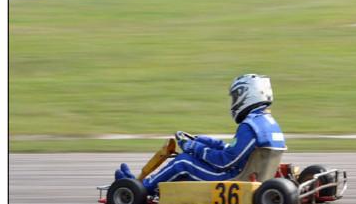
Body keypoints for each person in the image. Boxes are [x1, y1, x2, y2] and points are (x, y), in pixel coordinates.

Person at [115, 74, 285, 194]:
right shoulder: (267, 122)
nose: (233, 102)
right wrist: (204, 141)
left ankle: (140, 189)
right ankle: (143, 185)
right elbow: (232, 150)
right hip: (250, 173)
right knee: (192, 157)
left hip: (235, 178)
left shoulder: (249, 126)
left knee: (182, 162)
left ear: (247, 95)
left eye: (235, 97)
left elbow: (226, 161)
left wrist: (193, 147)